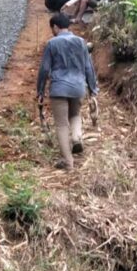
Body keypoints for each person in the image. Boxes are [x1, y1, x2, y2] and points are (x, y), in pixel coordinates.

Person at [37, 13, 98, 170]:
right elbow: (88, 67)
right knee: (75, 114)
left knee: (61, 124)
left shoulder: (52, 44)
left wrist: (40, 91)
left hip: (59, 88)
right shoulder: (81, 42)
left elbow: (44, 69)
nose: (52, 31)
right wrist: (93, 89)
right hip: (78, 87)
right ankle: (76, 138)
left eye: (52, 29)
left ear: (56, 27)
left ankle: (68, 162)